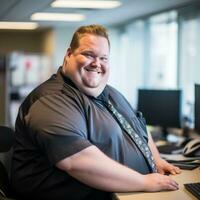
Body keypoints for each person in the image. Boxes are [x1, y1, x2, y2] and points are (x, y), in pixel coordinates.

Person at [11, 24, 181, 200]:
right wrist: (144, 182)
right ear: (69, 54)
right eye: (88, 54)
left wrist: (155, 160)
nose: (96, 63)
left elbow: (139, 127)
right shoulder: (52, 99)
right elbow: (76, 161)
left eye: (103, 58)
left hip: (128, 193)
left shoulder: (111, 93)